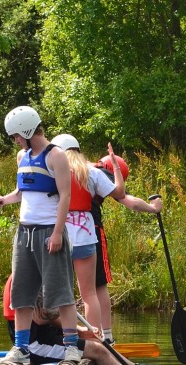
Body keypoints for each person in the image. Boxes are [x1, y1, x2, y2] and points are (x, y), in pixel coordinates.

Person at [0, 106, 81, 365]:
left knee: (61, 291)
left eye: (17, 135)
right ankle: (21, 348)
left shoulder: (56, 156)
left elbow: (65, 196)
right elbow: (22, 191)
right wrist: (4, 200)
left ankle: (72, 347)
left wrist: (56, 233)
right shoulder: (22, 156)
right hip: (24, 232)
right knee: (21, 292)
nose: (15, 141)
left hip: (48, 233)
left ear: (29, 130)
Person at [51, 134, 125, 330]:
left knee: (61, 294)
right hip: (85, 238)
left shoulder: (53, 172)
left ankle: (67, 338)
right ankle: (96, 340)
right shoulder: (92, 173)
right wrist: (116, 166)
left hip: (61, 237)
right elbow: (120, 193)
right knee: (89, 294)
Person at [90, 152, 163, 344]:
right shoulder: (102, 174)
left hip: (62, 231)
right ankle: (106, 337)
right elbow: (129, 201)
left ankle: (72, 337)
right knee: (99, 285)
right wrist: (153, 208)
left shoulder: (75, 168)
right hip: (91, 232)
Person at [28, 296, 178, 365]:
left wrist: (80, 329)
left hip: (49, 337)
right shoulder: (25, 280)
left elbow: (51, 317)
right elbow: (40, 317)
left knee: (97, 341)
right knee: (96, 350)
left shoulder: (43, 272)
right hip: (37, 346)